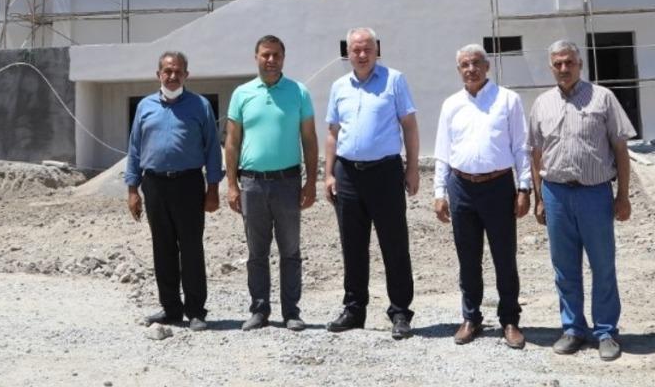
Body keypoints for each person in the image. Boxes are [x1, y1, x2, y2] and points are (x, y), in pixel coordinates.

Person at [528, 40, 635, 362]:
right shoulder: (541, 104)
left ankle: (606, 331)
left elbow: (620, 150)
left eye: (569, 62)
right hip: (556, 194)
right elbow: (535, 154)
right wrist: (539, 199)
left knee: (602, 265)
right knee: (564, 268)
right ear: (551, 67)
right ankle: (573, 328)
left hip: (595, 194)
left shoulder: (603, 98)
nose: (564, 68)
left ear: (580, 64)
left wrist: (623, 195)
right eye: (558, 63)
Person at [432, 44, 532, 349]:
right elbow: (443, 151)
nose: (471, 69)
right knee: (468, 257)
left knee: (504, 256)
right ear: (458, 70)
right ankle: (471, 317)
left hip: (498, 186)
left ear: (487, 66)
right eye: (464, 64)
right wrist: (439, 192)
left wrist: (524, 188)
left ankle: (510, 319)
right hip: (461, 187)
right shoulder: (451, 104)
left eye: (476, 63)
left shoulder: (508, 100)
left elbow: (521, 146)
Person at [323, 27, 419, 339]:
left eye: (367, 49)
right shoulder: (339, 86)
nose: (362, 54)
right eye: (356, 50)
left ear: (377, 50)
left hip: (385, 173)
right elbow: (333, 133)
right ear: (347, 53)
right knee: (352, 245)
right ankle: (354, 309)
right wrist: (329, 173)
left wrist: (412, 168)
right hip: (348, 174)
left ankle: (400, 312)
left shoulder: (394, 80)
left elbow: (409, 125)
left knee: (394, 244)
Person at [224, 35, 318, 332]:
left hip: (288, 182)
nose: (271, 60)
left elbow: (309, 139)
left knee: (290, 251)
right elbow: (232, 142)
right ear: (256, 57)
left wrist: (311, 183)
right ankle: (259, 310)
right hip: (252, 184)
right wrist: (231, 185)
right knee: (257, 253)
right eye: (265, 54)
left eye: (276, 55)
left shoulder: (298, 92)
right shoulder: (241, 94)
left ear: (283, 58)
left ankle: (291, 312)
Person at [125, 51, 223, 330]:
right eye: (167, 71)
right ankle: (170, 309)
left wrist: (213, 188)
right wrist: (132, 189)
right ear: (158, 74)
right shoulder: (144, 107)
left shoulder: (200, 106)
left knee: (191, 248)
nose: (172, 76)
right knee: (162, 247)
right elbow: (134, 148)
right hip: (154, 185)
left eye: (178, 71)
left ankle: (196, 311)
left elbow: (212, 148)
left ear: (186, 75)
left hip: (189, 184)